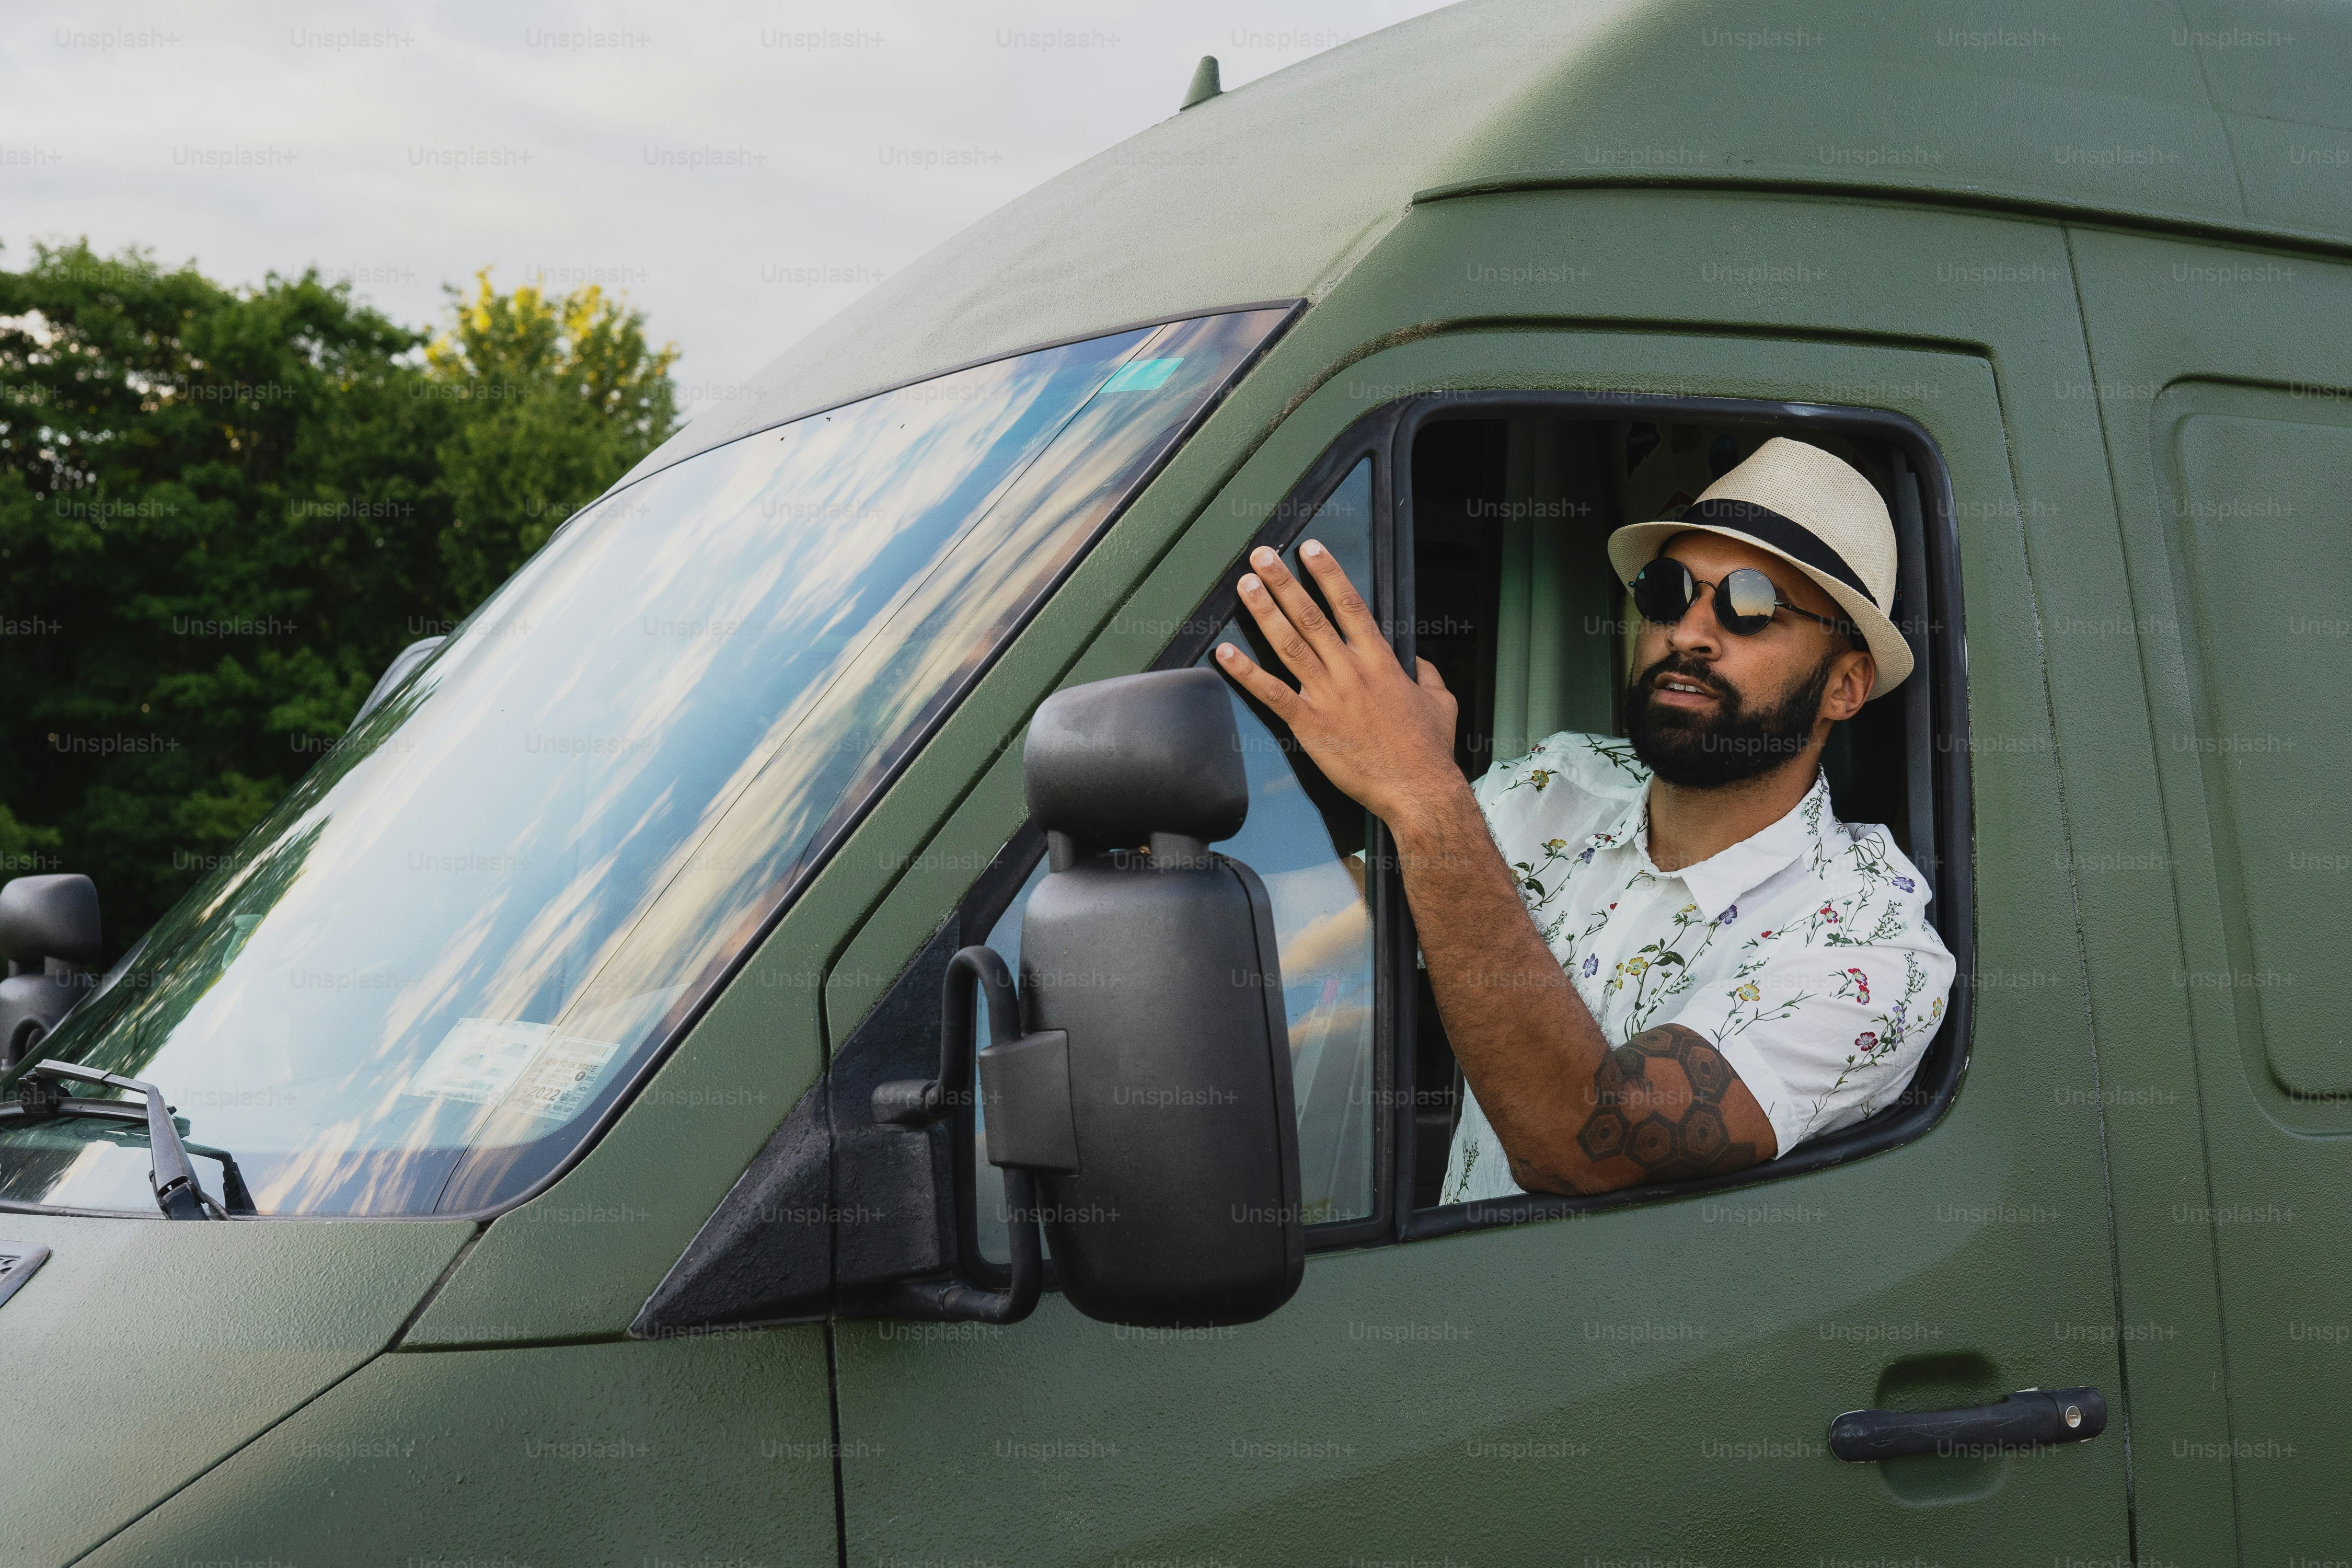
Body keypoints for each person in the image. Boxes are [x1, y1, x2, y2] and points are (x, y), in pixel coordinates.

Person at [1214, 436, 1954, 1200]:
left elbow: (1584, 1145)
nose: (1688, 632)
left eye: (1750, 603)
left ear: (1845, 687)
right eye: (1668, 591)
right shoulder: (1559, 784)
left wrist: (1422, 792)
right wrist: (1145, 883)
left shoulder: (1873, 950)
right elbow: (1324, 925)